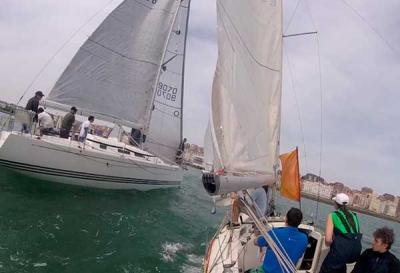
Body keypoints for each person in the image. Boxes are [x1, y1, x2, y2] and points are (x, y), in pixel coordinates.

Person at [251, 207, 308, 273]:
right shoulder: (304, 239)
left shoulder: (274, 233)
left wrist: (259, 235)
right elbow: (299, 255)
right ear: (300, 221)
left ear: (286, 219)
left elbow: (256, 242)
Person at [320, 193, 362, 273]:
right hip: (354, 254)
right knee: (341, 266)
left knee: (326, 269)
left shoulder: (333, 215)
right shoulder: (354, 215)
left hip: (340, 253)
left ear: (336, 204)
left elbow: (328, 240)